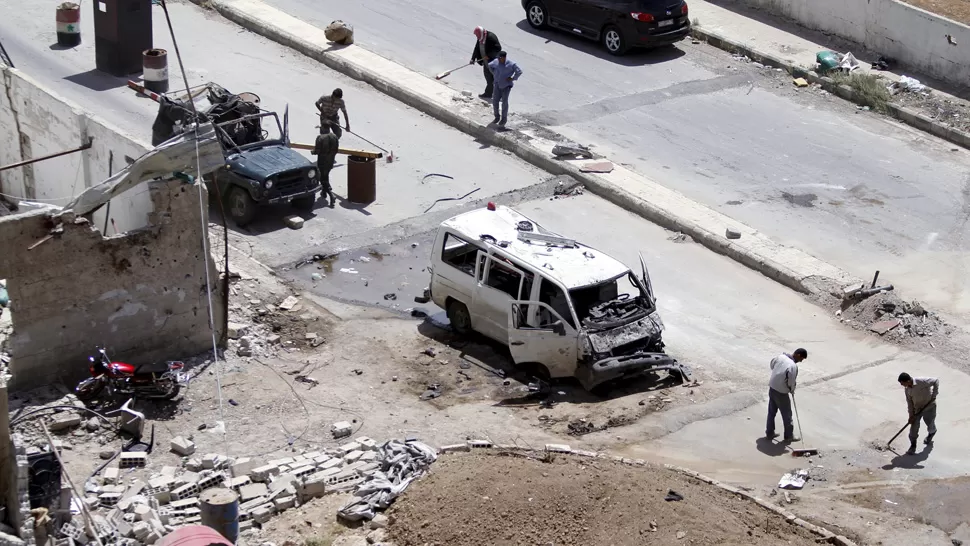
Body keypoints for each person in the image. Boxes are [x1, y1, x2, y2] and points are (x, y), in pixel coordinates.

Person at [765, 348, 807, 442]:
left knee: (771, 412)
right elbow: (791, 381)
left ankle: (769, 433)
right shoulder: (793, 366)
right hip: (781, 392)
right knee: (787, 415)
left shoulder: (781, 357)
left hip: (772, 387)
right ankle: (788, 436)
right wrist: (792, 390)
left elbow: (772, 365)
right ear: (798, 355)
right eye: (802, 359)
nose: (800, 361)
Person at [898, 372, 939, 454]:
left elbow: (936, 381)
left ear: (908, 380)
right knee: (913, 428)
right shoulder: (907, 390)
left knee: (930, 424)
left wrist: (934, 395)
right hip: (917, 410)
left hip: (929, 407)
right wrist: (911, 416)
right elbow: (909, 403)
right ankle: (913, 446)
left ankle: (932, 433)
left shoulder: (921, 381)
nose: (902, 385)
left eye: (903, 383)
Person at [487, 51, 523, 127]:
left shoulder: (511, 64)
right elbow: (489, 65)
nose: (499, 60)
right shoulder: (496, 62)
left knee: (504, 102)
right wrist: (494, 74)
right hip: (497, 84)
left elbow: (519, 72)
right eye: (498, 58)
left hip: (506, 86)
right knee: (495, 101)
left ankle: (504, 119)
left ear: (504, 57)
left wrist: (512, 78)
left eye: (500, 58)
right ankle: (497, 116)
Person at [311, 124, 339, 207]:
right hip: (330, 161)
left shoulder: (320, 138)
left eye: (321, 128)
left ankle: (331, 195)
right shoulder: (334, 136)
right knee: (326, 176)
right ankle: (324, 192)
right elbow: (336, 149)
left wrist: (313, 152)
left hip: (322, 161)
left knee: (322, 178)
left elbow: (317, 151)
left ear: (323, 128)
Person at [470, 26, 502, 99]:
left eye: (477, 35)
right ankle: (488, 93)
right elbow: (477, 48)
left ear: (480, 33)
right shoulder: (480, 38)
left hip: (493, 62)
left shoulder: (491, 37)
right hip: (485, 62)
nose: (476, 37)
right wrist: (472, 58)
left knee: (496, 79)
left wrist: (489, 55)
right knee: (489, 79)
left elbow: (498, 48)